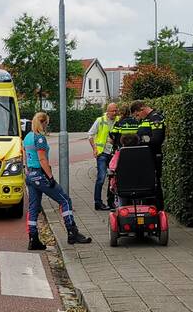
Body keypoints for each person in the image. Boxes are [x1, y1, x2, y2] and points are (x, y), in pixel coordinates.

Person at [24, 111, 92, 250]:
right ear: (43, 123)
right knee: (65, 200)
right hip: (40, 175)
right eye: (47, 124)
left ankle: (33, 238)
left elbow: (25, 157)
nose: (47, 126)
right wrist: (50, 177)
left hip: (30, 175)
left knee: (33, 208)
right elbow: (42, 159)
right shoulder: (39, 138)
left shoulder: (27, 137)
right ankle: (72, 232)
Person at [129, 100, 166, 210]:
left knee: (154, 185)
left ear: (142, 108)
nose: (138, 117)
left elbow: (157, 139)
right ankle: (148, 209)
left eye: (137, 114)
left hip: (153, 157)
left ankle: (158, 210)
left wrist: (141, 141)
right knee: (146, 184)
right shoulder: (146, 119)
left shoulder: (155, 118)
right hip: (145, 157)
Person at [87, 102, 119, 211]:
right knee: (101, 178)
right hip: (102, 154)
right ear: (107, 111)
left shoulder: (118, 121)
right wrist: (95, 149)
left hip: (114, 154)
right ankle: (98, 202)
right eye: (113, 111)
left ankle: (111, 202)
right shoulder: (100, 120)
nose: (115, 113)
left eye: (116, 110)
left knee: (113, 179)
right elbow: (90, 135)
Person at [107, 134, 140, 206]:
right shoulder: (143, 153)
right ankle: (138, 206)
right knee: (138, 199)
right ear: (137, 142)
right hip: (141, 185)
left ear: (123, 143)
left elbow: (112, 167)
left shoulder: (119, 154)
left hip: (123, 186)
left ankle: (121, 208)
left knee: (122, 201)